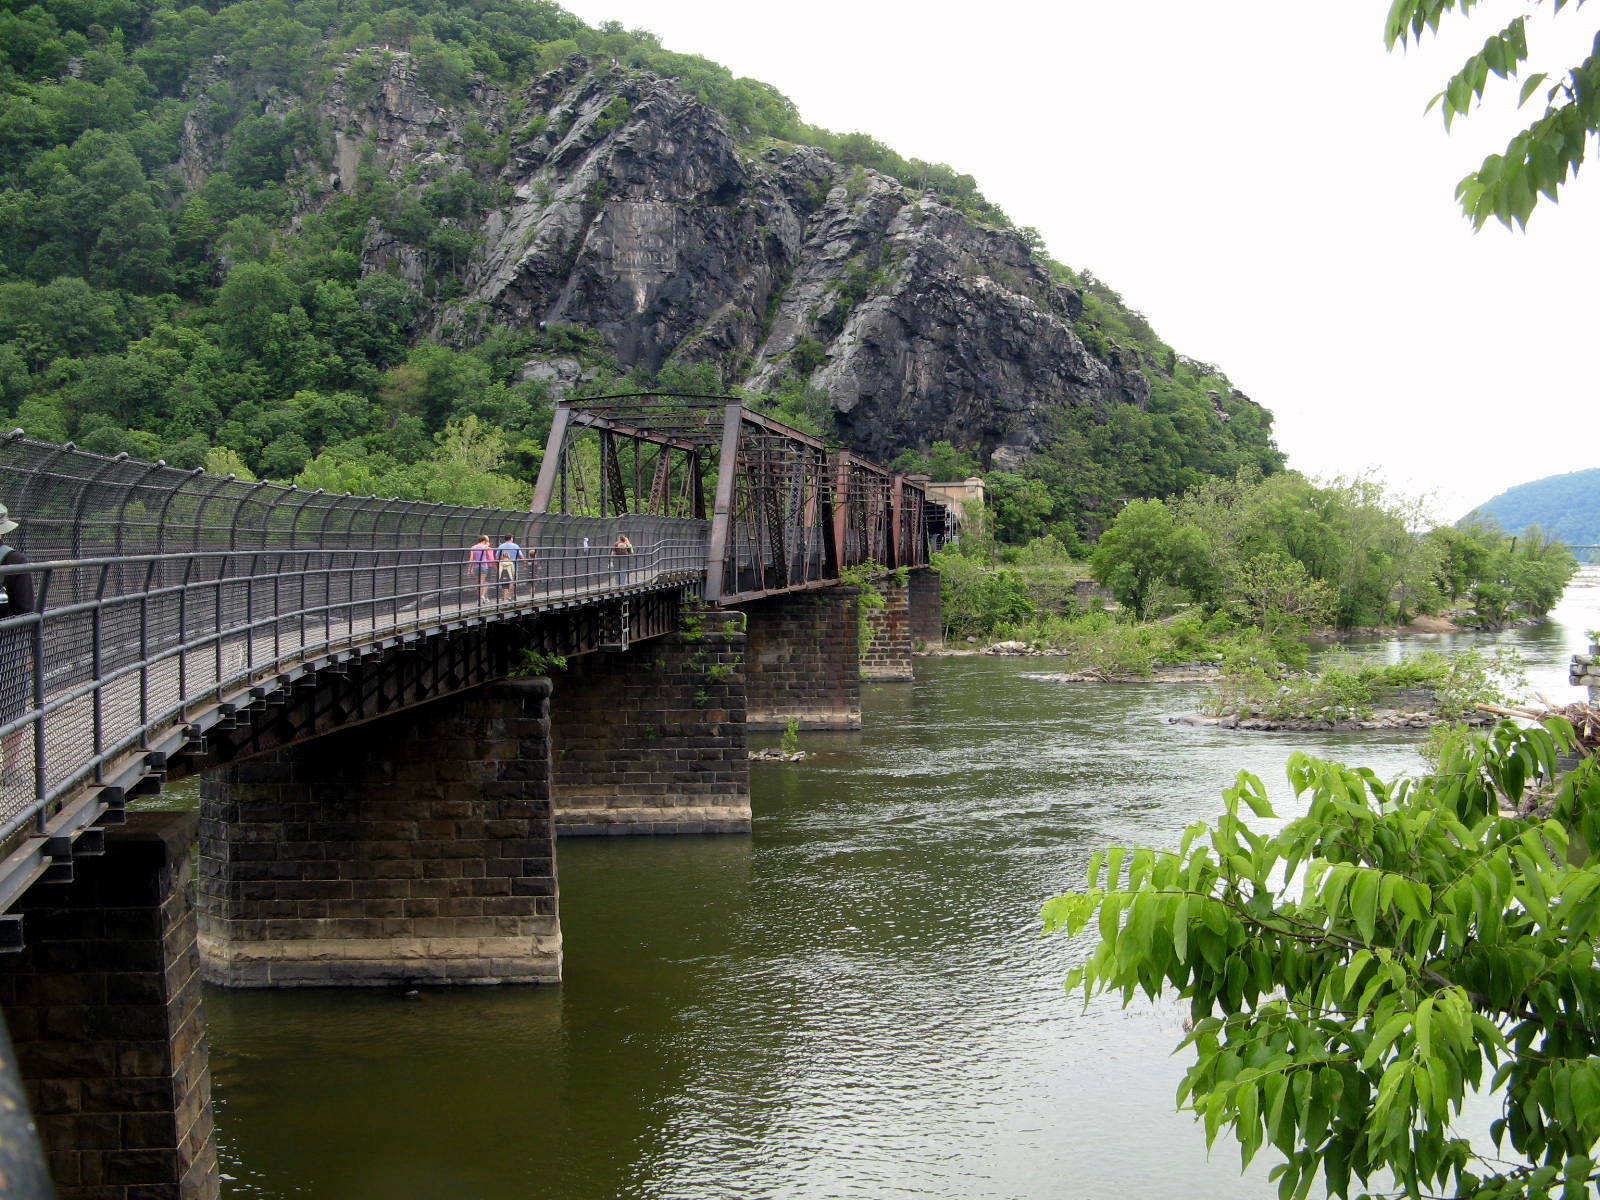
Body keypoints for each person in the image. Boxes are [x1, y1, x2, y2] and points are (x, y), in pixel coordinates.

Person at [0, 503, 35, 787]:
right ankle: (9, 767)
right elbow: (25, 610)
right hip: (8, 643)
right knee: (12, 704)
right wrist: (30, 651)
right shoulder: (14, 560)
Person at [496, 533, 523, 600]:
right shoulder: (516, 546)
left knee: (504, 581)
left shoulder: (501, 546)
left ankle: (505, 597)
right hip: (513, 565)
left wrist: (498, 565)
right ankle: (510, 596)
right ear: (511, 538)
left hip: (503, 566)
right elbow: (521, 556)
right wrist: (524, 562)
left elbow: (497, 557)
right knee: (512, 580)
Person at [468, 534, 493, 602]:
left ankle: (479, 598)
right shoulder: (485, 547)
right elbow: (489, 557)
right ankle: (482, 597)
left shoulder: (473, 547)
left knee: (478, 583)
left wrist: (469, 569)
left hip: (476, 566)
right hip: (484, 566)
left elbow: (471, 559)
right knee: (482, 582)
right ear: (484, 540)